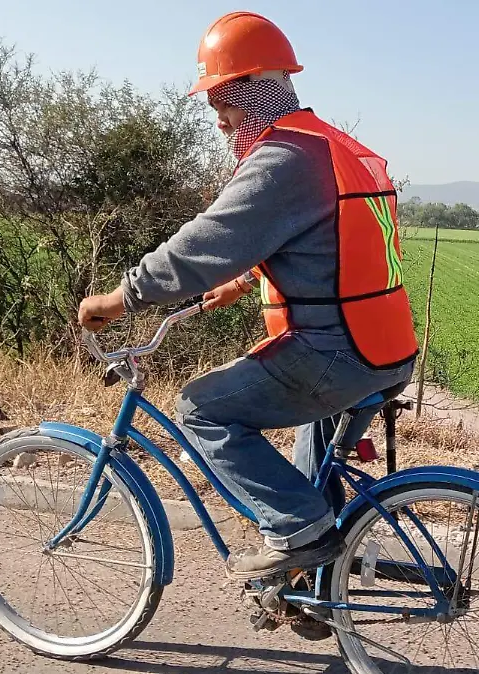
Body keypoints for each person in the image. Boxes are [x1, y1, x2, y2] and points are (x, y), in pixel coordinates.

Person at [76, 11, 417, 581]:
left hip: (334, 353)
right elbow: (335, 252)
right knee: (311, 470)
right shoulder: (335, 147)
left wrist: (121, 297)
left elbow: (206, 242)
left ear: (253, 89)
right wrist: (245, 282)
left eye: (223, 103)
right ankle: (316, 586)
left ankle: (298, 534)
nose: (219, 121)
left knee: (202, 409)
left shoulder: (285, 158)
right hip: (385, 347)